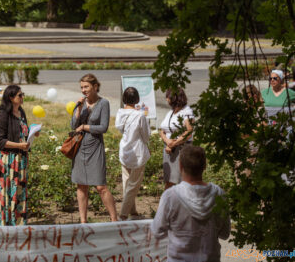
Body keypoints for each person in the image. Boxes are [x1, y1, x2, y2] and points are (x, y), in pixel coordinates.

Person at [151, 145, 231, 262]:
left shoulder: (170, 196)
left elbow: (157, 231)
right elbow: (225, 234)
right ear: (205, 166)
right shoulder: (219, 194)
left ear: (180, 166)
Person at [71, 73, 118, 223]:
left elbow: (103, 127)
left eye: (86, 87)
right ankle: (83, 221)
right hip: (79, 148)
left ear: (95, 87)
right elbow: (73, 126)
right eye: (81, 87)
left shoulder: (103, 103)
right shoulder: (81, 103)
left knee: (100, 186)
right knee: (81, 186)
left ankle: (114, 219)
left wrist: (85, 126)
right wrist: (77, 109)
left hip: (95, 147)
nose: (83, 90)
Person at [0, 85, 39, 226]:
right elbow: (0, 141)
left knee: (19, 192)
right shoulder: (2, 115)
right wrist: (20, 145)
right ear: (10, 98)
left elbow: (22, 133)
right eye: (19, 95)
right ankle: (5, 223)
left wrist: (32, 133)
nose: (22, 97)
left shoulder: (21, 112)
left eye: (22, 94)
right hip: (8, 160)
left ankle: (19, 223)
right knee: (7, 193)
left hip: (21, 160)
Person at [115, 87, 150, 221]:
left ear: (124, 99)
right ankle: (123, 215)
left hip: (124, 150)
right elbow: (146, 136)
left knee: (127, 183)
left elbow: (119, 129)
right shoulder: (140, 115)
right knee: (133, 185)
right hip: (137, 152)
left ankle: (133, 212)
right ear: (137, 99)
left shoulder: (120, 113)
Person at [159, 88, 194, 190]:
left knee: (180, 179)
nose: (166, 99)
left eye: (168, 97)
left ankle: (179, 202)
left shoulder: (187, 112)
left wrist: (173, 144)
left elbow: (189, 131)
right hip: (169, 149)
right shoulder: (171, 112)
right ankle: (169, 203)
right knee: (169, 179)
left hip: (181, 148)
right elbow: (162, 130)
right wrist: (167, 141)